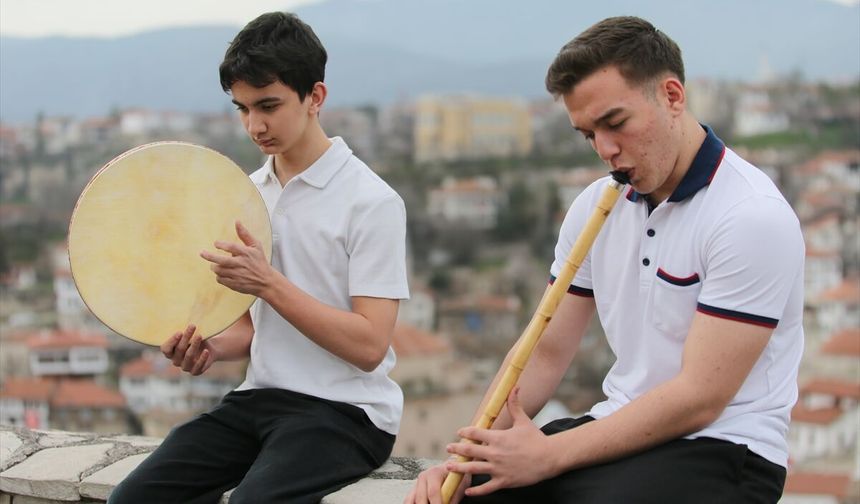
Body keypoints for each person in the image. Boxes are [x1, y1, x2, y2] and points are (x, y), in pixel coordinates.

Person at [406, 15, 803, 504]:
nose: (605, 150)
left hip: (724, 446)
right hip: (617, 427)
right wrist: (464, 460)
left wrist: (548, 456)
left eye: (615, 124)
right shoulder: (596, 206)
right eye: (587, 134)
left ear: (673, 97)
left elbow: (700, 398)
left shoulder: (750, 217)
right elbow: (545, 352)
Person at [109, 12, 409, 504]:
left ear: (315, 97)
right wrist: (208, 347)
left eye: (268, 105)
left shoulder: (372, 202)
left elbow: (370, 345)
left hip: (348, 412)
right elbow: (251, 330)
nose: (255, 125)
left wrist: (269, 283)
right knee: (133, 499)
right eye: (242, 108)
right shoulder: (244, 194)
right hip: (260, 398)